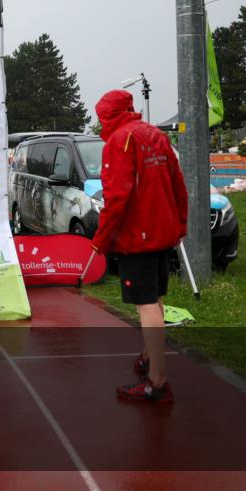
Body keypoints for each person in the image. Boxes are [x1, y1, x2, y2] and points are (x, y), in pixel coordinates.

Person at [90, 89, 187, 403]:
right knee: (155, 298)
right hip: (162, 231)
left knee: (145, 305)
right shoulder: (155, 134)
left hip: (138, 235)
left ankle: (157, 381)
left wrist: (100, 241)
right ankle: (149, 357)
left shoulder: (119, 141)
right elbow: (177, 182)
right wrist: (181, 224)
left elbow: (116, 197)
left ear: (108, 114)